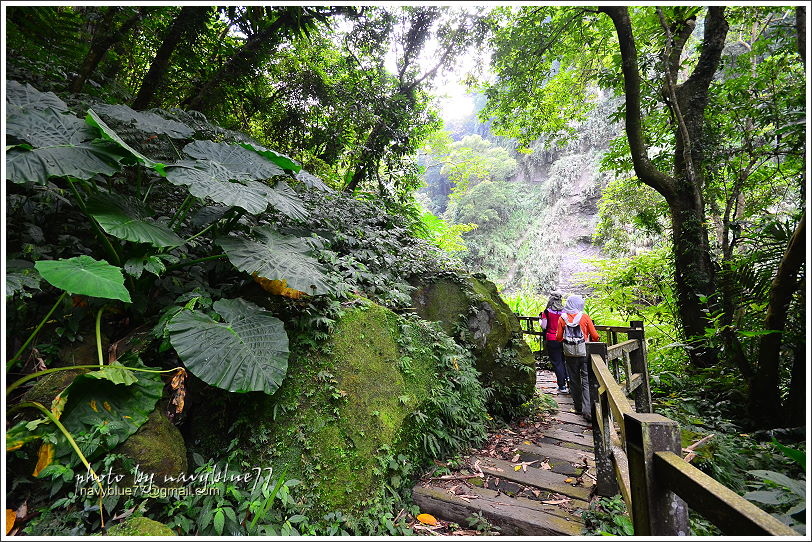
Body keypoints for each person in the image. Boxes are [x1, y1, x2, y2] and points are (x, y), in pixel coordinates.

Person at [556, 294, 599, 421]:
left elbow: (558, 337)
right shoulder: (584, 317)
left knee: (574, 380)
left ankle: (578, 407)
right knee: (586, 380)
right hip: (584, 352)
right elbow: (595, 336)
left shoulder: (562, 318)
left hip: (569, 354)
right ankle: (587, 410)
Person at [539, 290, 568, 393]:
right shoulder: (565, 312)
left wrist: (540, 320)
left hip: (552, 339)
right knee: (565, 361)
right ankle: (568, 382)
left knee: (557, 362)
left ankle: (562, 386)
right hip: (564, 339)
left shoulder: (546, 312)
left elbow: (544, 326)